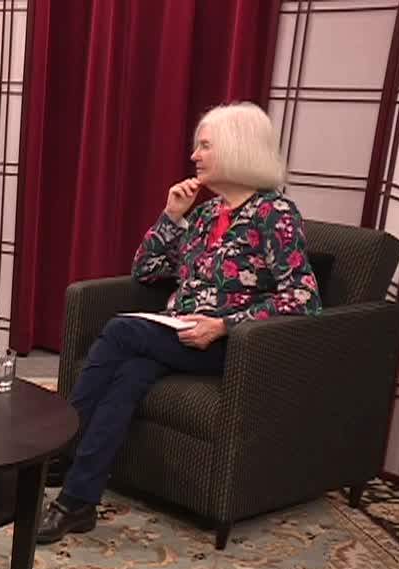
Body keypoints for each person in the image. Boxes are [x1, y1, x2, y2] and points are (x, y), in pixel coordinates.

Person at [38, 101, 322, 544]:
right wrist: (171, 216)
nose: (194, 156)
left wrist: (225, 324)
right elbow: (146, 271)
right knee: (130, 374)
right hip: (177, 335)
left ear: (236, 148)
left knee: (119, 330)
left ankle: (58, 448)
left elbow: (303, 297)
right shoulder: (207, 214)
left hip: (233, 346)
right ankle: (77, 502)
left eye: (204, 146)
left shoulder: (275, 215)